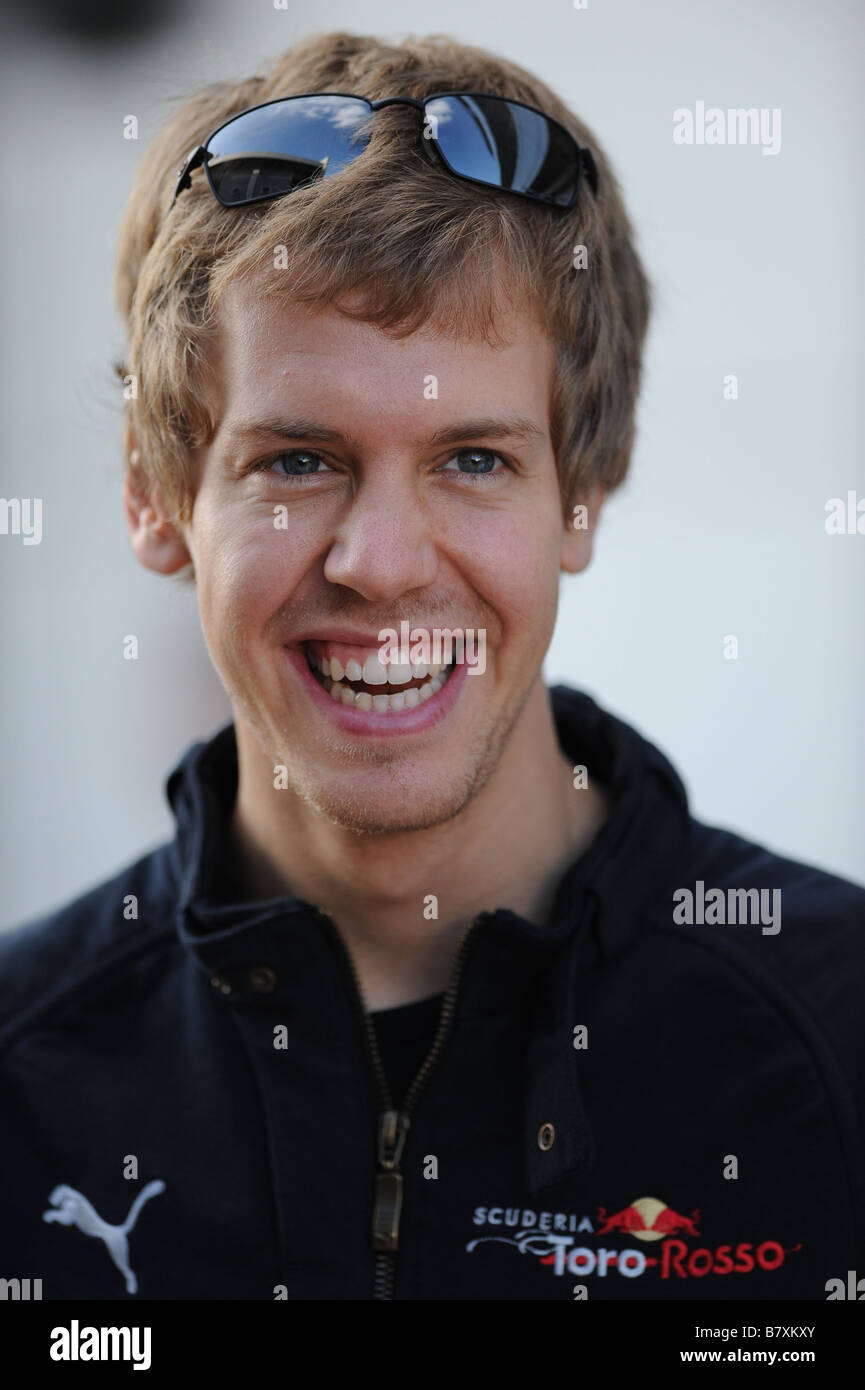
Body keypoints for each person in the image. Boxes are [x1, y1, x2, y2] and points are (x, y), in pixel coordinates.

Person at [1, 30, 862, 1303]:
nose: (383, 562)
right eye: (298, 459)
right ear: (155, 490)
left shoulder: (835, 1042)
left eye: (472, 459)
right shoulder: (23, 1078)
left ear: (583, 490)